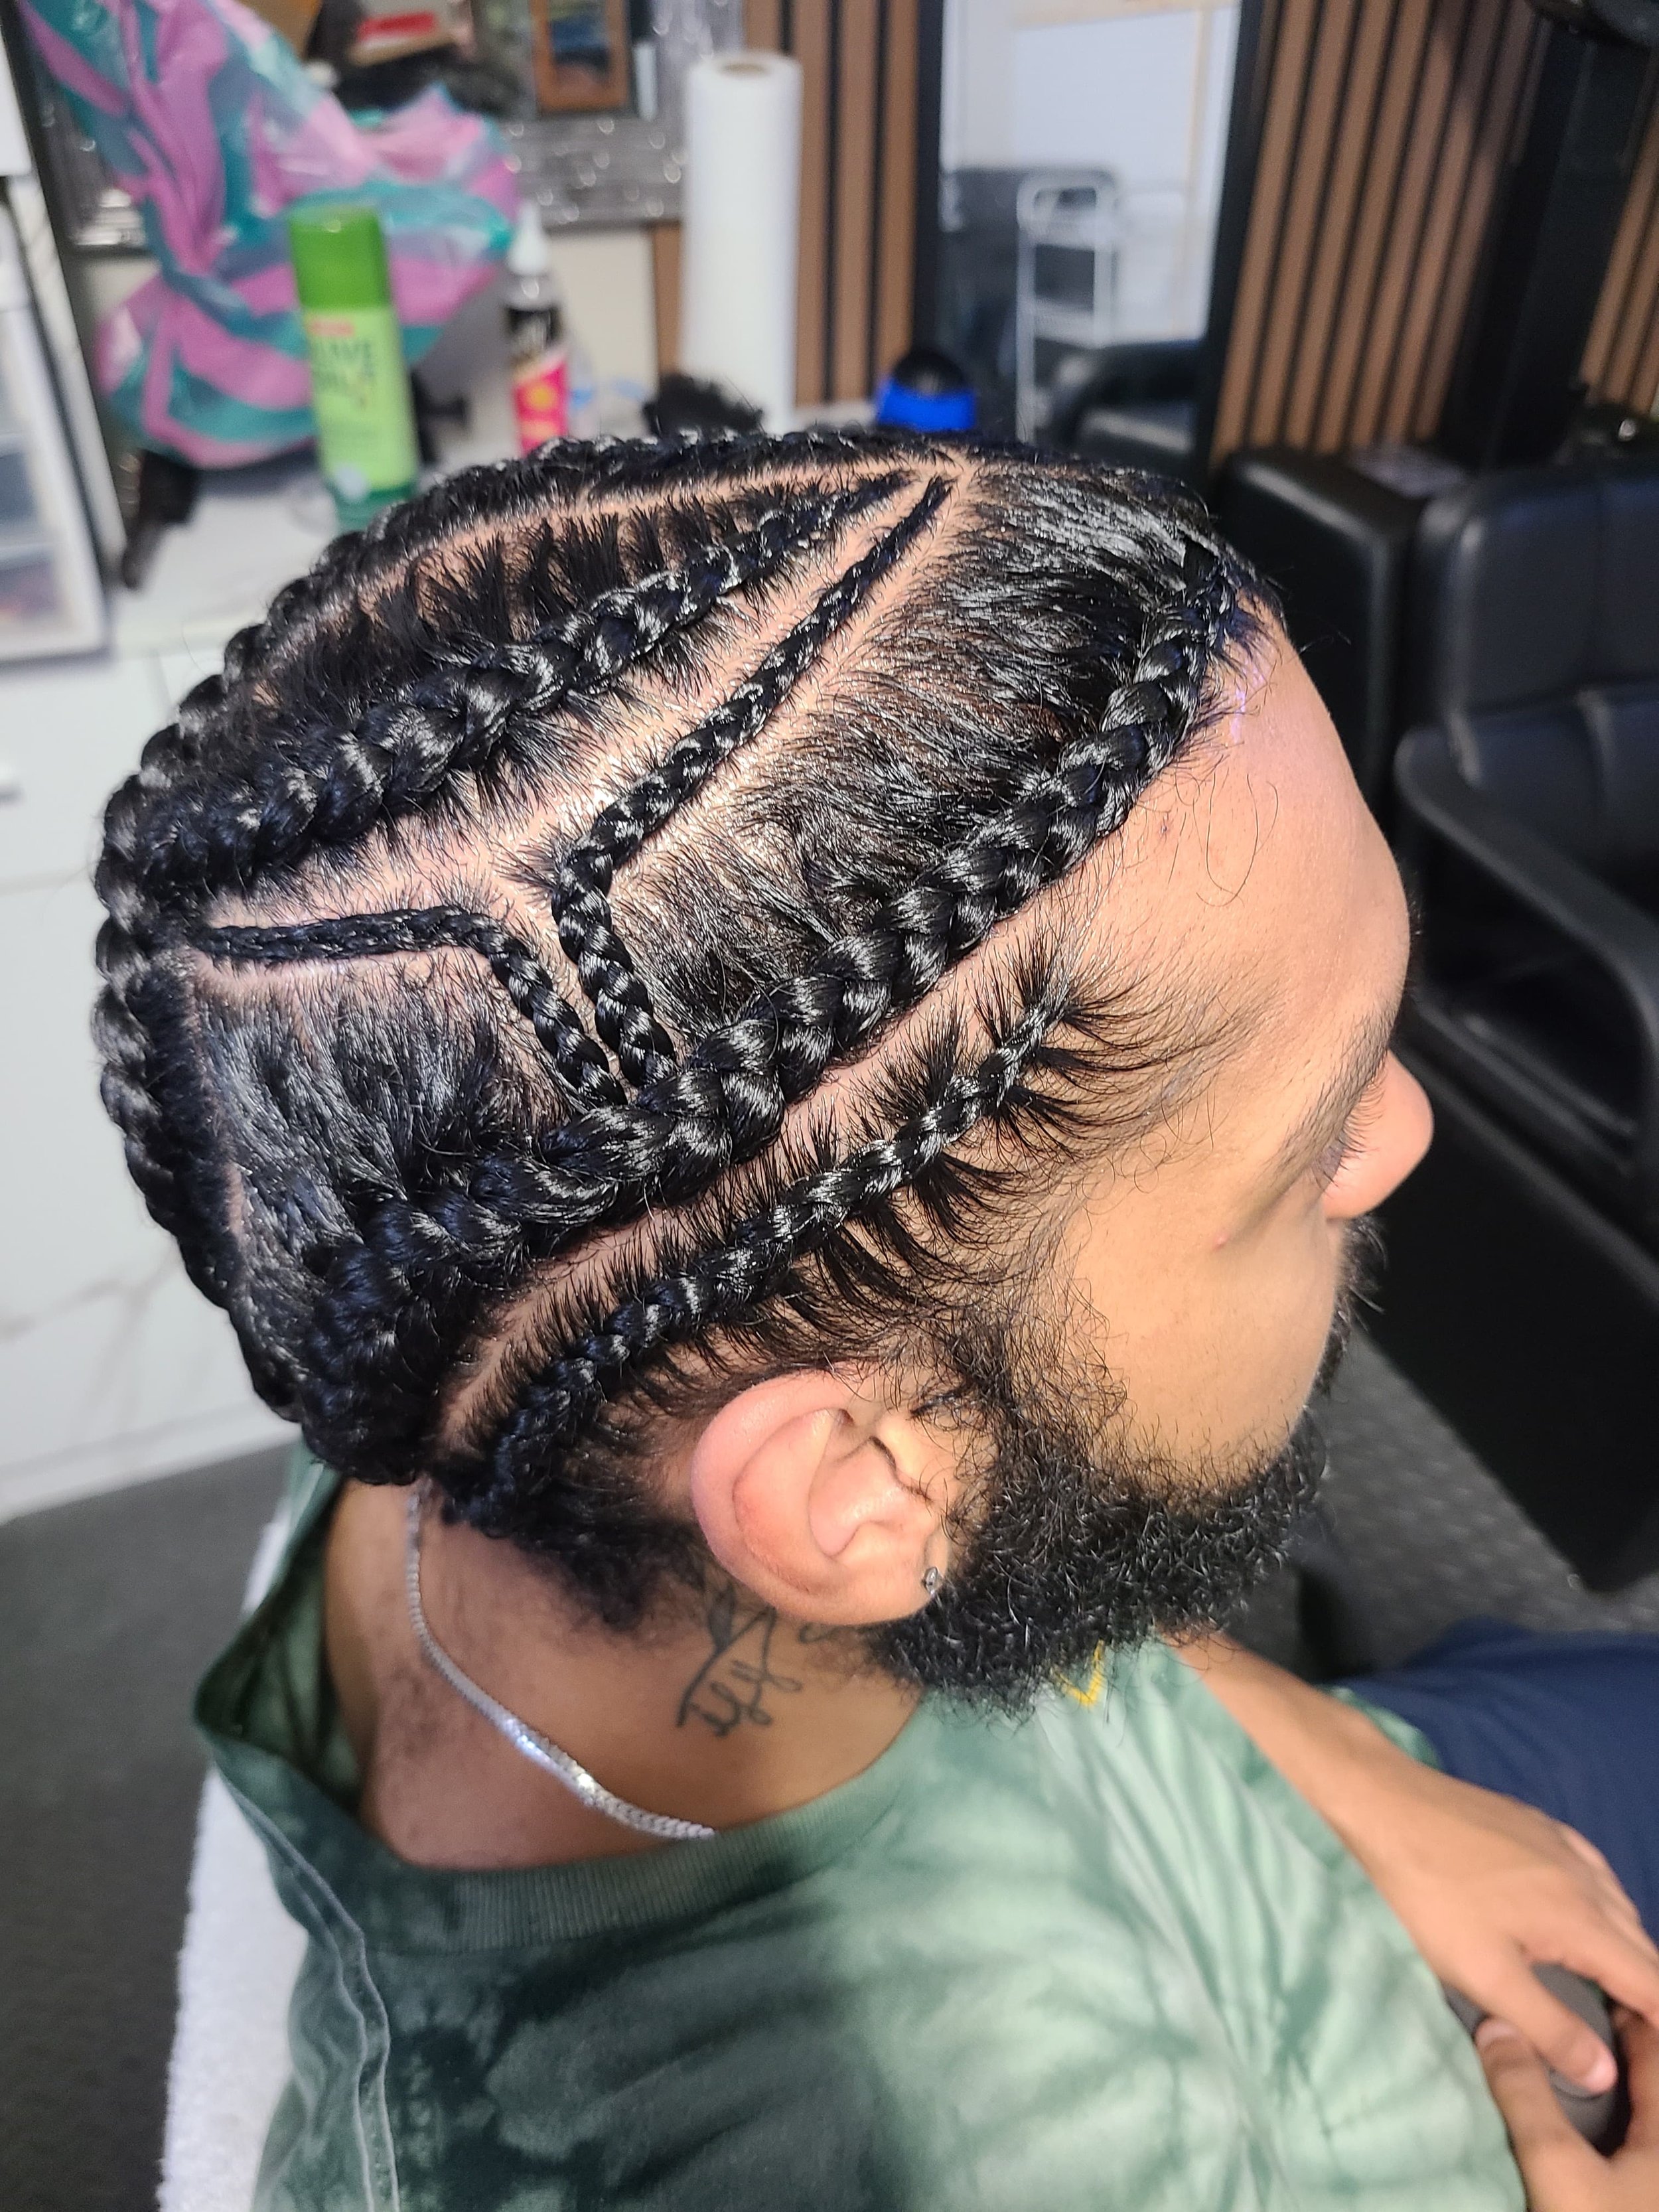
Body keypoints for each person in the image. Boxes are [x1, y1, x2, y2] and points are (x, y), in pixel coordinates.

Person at [96, 433, 1659, 2210]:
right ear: (860, 1495)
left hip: (1308, 1805)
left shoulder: (468, 1310)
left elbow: (1039, 1541)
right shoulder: (857, 2148)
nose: (1403, 1134)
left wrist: (1304, 1746)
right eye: (1302, 1143)